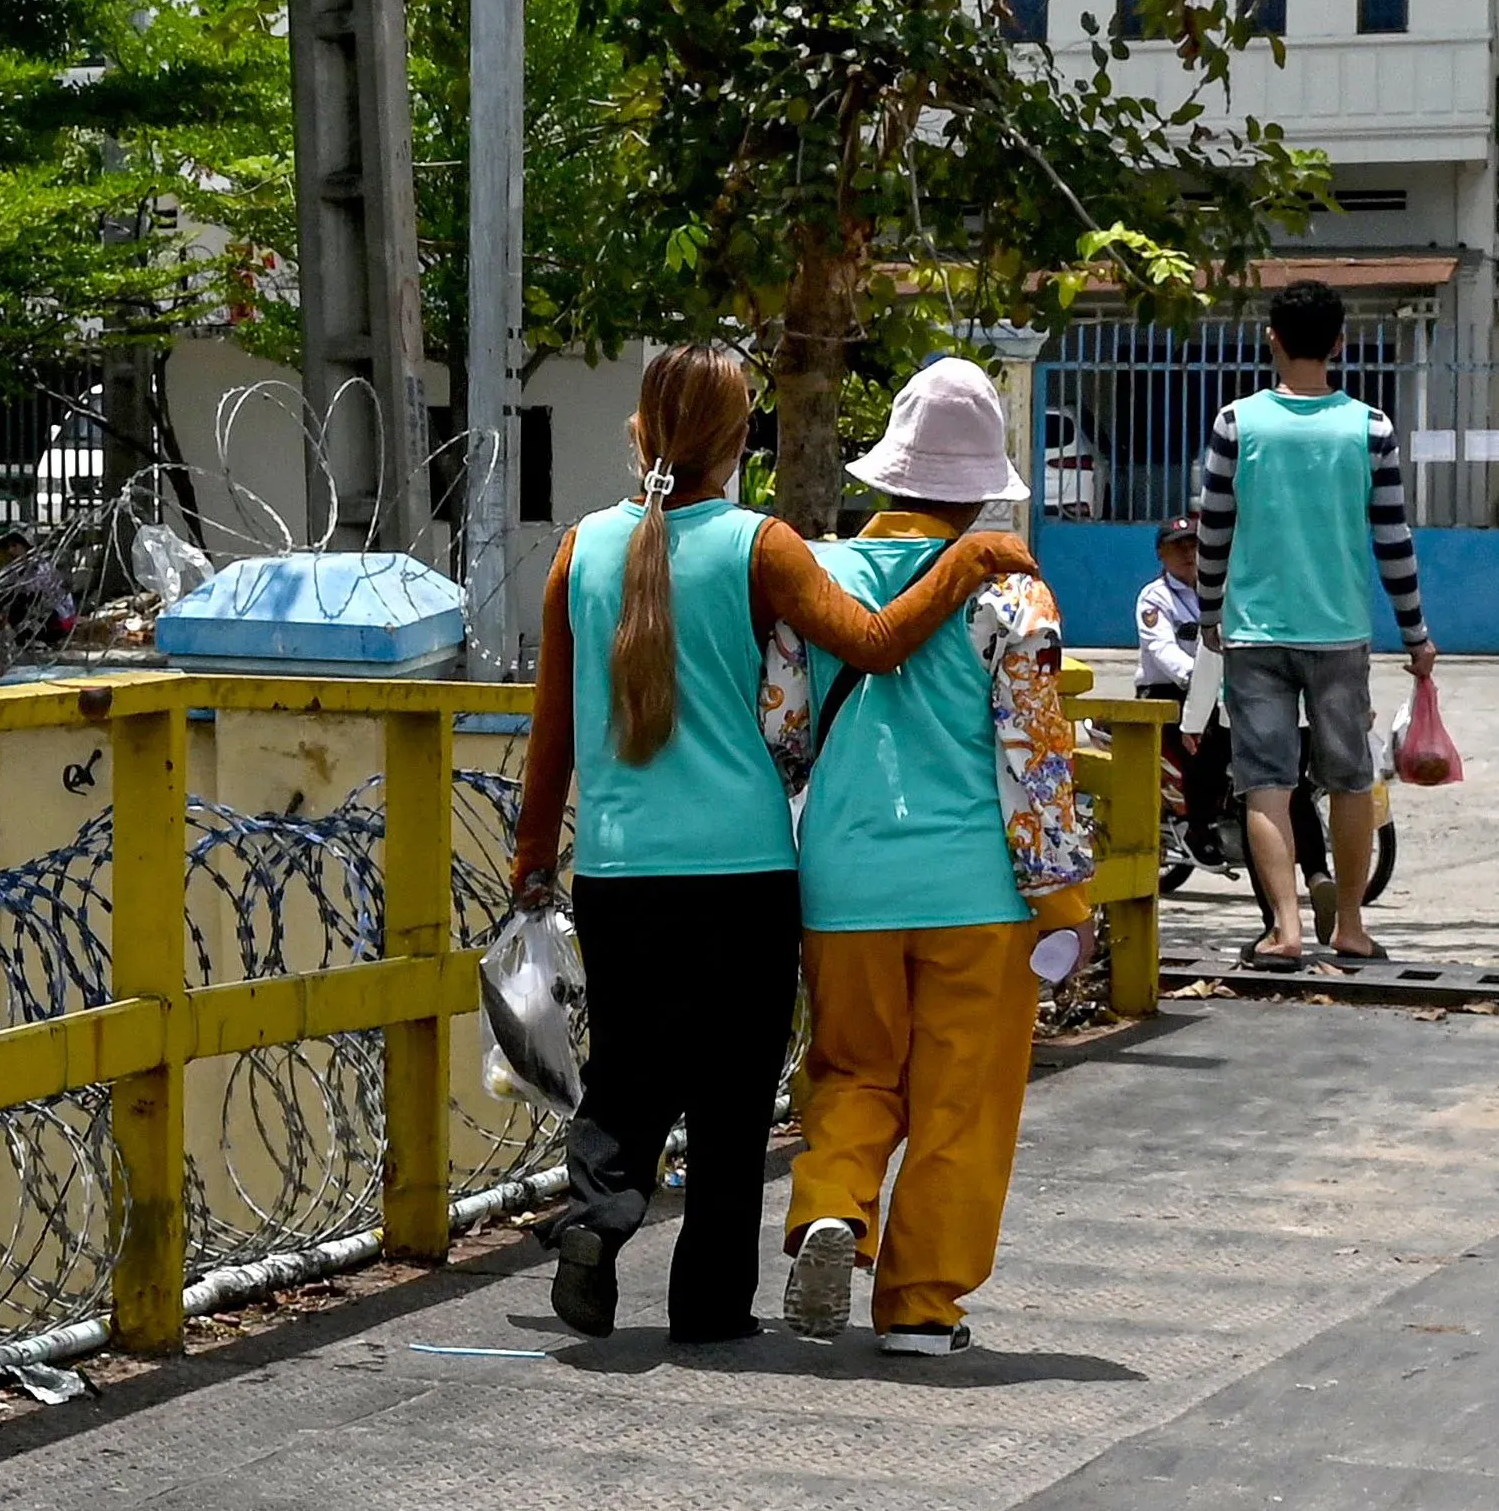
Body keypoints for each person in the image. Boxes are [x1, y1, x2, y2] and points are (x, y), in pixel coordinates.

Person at [498, 344, 1034, 1347]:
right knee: (733, 1097)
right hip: (743, 869)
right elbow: (872, 644)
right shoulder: (760, 546)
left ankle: (598, 1220)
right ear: (739, 441)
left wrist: (534, 858)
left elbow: (552, 730)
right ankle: (706, 1307)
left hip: (616, 867)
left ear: (637, 433)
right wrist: (963, 562)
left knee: (625, 1074)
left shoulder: (579, 550)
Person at [778, 360, 1098, 1359]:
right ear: (978, 487)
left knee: (851, 1071)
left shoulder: (811, 578)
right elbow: (1035, 758)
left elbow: (783, 732)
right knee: (962, 1097)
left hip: (843, 882)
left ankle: (832, 1204)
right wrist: (1065, 897)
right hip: (976, 892)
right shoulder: (1013, 595)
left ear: (887, 475)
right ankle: (919, 1305)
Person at [1186, 278, 1430, 971]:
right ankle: (1350, 926)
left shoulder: (1237, 423)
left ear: (1273, 340)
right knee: (1351, 781)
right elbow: (1394, 542)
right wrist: (1416, 635)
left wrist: (1209, 611)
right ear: (1340, 343)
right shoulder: (1370, 428)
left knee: (1266, 782)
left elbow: (1214, 534)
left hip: (1256, 634)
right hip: (1340, 634)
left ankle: (1285, 929)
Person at [1131, 523, 1228, 887]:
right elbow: (1163, 650)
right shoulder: (1155, 598)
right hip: (1165, 692)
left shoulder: (1218, 592)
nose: (1189, 554)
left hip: (1215, 689)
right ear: (1161, 554)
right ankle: (1198, 829)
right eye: (1178, 548)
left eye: (1195, 546)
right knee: (1210, 745)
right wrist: (1200, 681)